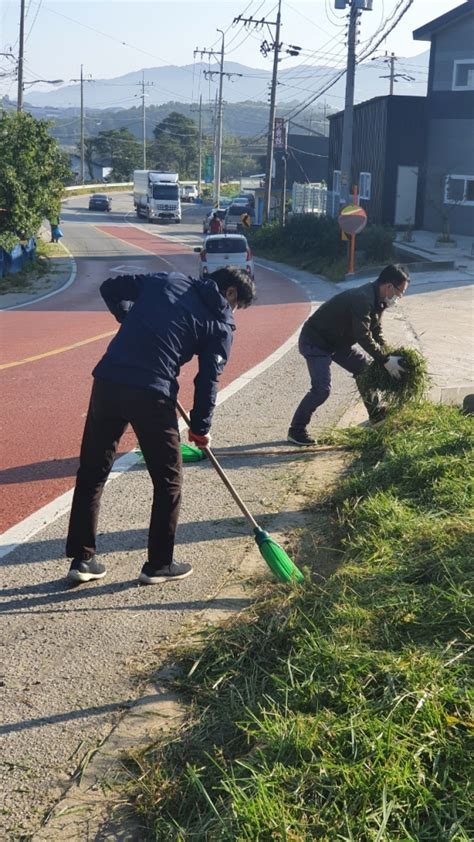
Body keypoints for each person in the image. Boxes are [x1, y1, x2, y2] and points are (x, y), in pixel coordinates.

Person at [65, 267, 256, 585]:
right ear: (231, 292)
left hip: (108, 380)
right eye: (237, 305)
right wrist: (200, 427)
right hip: (152, 392)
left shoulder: (167, 280)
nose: (233, 311)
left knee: (92, 471)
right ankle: (159, 564)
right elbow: (208, 379)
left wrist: (127, 318)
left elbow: (110, 287)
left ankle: (82, 560)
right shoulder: (221, 322)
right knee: (168, 479)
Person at [288, 264, 410, 445]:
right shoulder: (362, 299)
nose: (399, 297)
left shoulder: (379, 301)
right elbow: (363, 335)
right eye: (400, 292)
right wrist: (384, 360)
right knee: (322, 390)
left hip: (337, 342)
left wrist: (389, 353)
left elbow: (376, 331)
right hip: (316, 341)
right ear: (389, 286)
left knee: (364, 370)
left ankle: (376, 414)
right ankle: (296, 430)